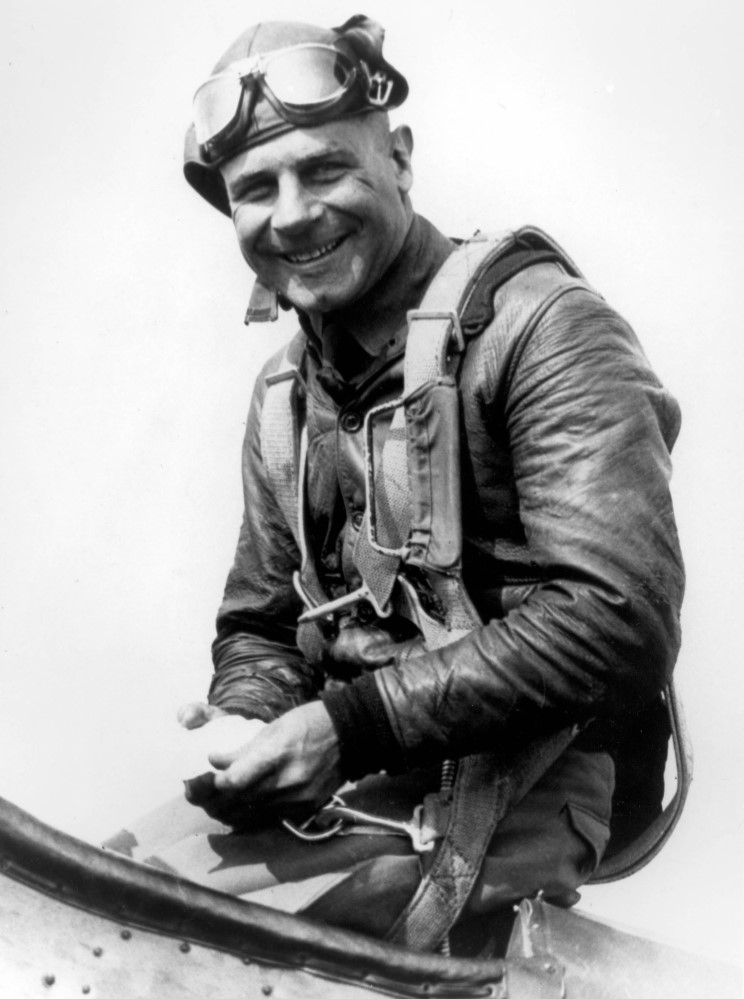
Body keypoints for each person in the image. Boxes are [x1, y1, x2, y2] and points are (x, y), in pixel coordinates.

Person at [107, 14, 685, 955]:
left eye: (324, 170)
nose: (291, 214)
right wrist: (251, 713)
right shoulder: (285, 397)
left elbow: (618, 621)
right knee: (102, 881)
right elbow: (261, 624)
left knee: (149, 939)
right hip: (359, 777)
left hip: (526, 783)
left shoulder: (544, 328)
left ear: (401, 160)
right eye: (255, 189)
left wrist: (345, 728)